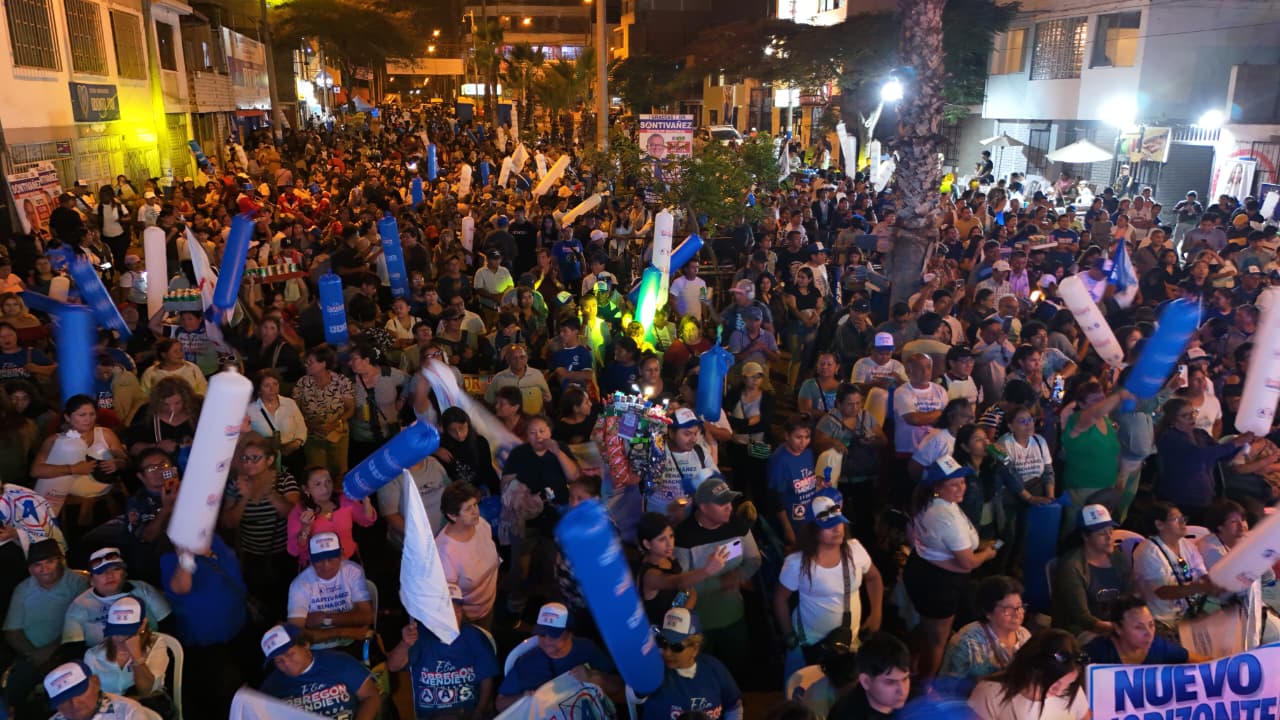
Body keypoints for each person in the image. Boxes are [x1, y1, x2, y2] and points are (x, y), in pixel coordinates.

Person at [903, 457, 997, 679]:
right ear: (937, 487)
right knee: (937, 640)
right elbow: (967, 562)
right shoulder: (945, 517)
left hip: (925, 572)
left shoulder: (932, 503)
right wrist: (987, 554)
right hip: (939, 584)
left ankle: (911, 667)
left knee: (927, 628)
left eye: (962, 482)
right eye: (954, 484)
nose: (961, 488)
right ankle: (924, 685)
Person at [775, 489, 883, 680]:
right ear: (812, 530)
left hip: (849, 644)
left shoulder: (855, 550)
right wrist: (788, 635)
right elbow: (780, 599)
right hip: (808, 645)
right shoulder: (796, 562)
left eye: (839, 522)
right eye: (829, 525)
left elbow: (874, 578)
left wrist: (876, 613)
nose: (837, 529)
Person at [673, 476, 762, 679]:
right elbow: (681, 585)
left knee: (737, 672)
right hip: (700, 625)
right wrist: (719, 582)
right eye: (722, 503)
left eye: (729, 501)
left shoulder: (737, 526)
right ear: (703, 507)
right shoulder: (684, 536)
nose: (729, 507)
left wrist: (739, 575)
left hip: (734, 617)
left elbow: (754, 559)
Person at [386, 583, 500, 720]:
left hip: (466, 713)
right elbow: (392, 666)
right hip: (431, 715)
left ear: (461, 611)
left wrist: (479, 711)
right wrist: (405, 644)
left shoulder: (474, 637)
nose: (452, 615)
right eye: (445, 610)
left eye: (456, 608)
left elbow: (487, 678)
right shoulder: (419, 635)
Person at [494, 602, 622, 711]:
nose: (547, 641)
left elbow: (620, 687)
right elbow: (500, 703)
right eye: (542, 635)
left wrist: (593, 678)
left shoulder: (586, 649)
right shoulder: (527, 661)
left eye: (553, 635)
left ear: (569, 634)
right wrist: (524, 698)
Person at [1154, 396, 1250, 523]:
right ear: (1172, 420)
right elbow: (1198, 456)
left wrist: (1243, 442)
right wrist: (1235, 443)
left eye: (1193, 413)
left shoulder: (1200, 434)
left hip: (1207, 498)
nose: (1191, 417)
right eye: (1185, 415)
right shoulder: (1169, 437)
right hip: (1183, 501)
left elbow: (1221, 455)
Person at [259, 623, 379, 720]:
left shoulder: (340, 663)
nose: (287, 664)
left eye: (290, 654)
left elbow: (370, 696)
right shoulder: (271, 686)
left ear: (305, 644)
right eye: (279, 661)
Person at [640, 608, 743, 720]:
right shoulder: (655, 670)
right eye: (663, 643)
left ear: (695, 648)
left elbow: (733, 706)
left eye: (676, 647)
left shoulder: (714, 668)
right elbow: (635, 696)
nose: (667, 652)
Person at [31, 394, 126, 515]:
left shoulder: (105, 434)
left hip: (106, 500)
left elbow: (125, 461)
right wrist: (73, 469)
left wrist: (118, 463)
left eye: (92, 414)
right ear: (68, 417)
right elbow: (36, 471)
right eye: (82, 415)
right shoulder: (55, 440)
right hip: (69, 505)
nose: (88, 419)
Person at [63, 547, 172, 652]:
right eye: (101, 572)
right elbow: (73, 650)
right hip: (102, 661)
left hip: (152, 652)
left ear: (125, 573)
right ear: (91, 580)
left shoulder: (144, 589)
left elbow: (169, 626)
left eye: (115, 569)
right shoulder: (79, 606)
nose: (109, 575)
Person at [1133, 501, 1218, 632]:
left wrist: (1216, 583)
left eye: (1183, 518)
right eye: (1176, 519)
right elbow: (1163, 592)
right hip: (1160, 621)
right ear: (1159, 524)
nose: (1183, 522)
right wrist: (1199, 587)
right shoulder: (1148, 551)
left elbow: (1202, 574)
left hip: (1188, 614)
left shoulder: (1186, 545)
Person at [967, 630, 1089, 720]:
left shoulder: (1071, 691)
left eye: (1069, 684)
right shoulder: (990, 694)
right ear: (1032, 670)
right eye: (1055, 684)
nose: (1059, 691)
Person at [938, 576, 1031, 694]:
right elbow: (948, 689)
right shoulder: (967, 642)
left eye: (1020, 607)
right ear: (987, 612)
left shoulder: (1024, 635)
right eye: (1008, 609)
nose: (1017, 614)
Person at [1052, 504, 1134, 637]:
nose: (1109, 537)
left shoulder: (1119, 558)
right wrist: (1116, 630)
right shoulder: (1072, 566)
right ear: (1085, 536)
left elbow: (1129, 596)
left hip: (1114, 625)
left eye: (1111, 531)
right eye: (1102, 533)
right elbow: (1081, 616)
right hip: (1081, 630)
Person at [634, 511, 729, 624]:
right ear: (647, 544)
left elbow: (688, 590)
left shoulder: (669, 558)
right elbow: (677, 581)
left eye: (671, 536)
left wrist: (684, 613)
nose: (670, 544)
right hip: (662, 633)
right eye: (662, 539)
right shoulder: (650, 576)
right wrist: (706, 571)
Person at [286, 532, 374, 652]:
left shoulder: (353, 571)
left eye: (331, 559)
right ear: (310, 560)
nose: (326, 566)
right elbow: (296, 634)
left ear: (341, 555)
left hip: (350, 642)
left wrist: (325, 619)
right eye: (319, 560)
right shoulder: (300, 584)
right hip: (317, 648)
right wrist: (345, 631)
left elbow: (367, 617)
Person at [82, 598, 170, 712]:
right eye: (114, 631)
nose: (120, 638)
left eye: (127, 632)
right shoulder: (93, 655)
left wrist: (136, 657)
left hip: (144, 709)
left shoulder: (156, 645)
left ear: (143, 625)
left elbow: (146, 691)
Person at [435, 482, 501, 630]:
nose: (475, 512)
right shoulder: (444, 552)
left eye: (475, 505)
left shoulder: (481, 524)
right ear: (452, 515)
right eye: (468, 509)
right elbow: (450, 599)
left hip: (489, 604)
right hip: (469, 617)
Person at [287, 467, 376, 566]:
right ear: (306, 489)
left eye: (328, 481)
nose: (325, 488)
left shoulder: (344, 499)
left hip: (348, 561)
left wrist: (365, 499)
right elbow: (294, 550)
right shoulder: (299, 511)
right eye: (318, 484)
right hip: (319, 567)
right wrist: (305, 528)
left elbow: (367, 520)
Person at [1082, 595, 1190, 665]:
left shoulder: (1157, 646)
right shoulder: (1098, 653)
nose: (1149, 633)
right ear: (1118, 628)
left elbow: (1193, 659)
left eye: (1151, 625)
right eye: (1139, 627)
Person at [827, 632, 911, 720]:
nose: (902, 691)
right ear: (866, 681)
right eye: (890, 682)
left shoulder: (914, 699)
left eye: (905, 679)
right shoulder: (845, 715)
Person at [43, 660, 162, 720]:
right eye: (64, 700)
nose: (74, 704)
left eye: (79, 693)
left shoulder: (126, 712)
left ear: (96, 683)